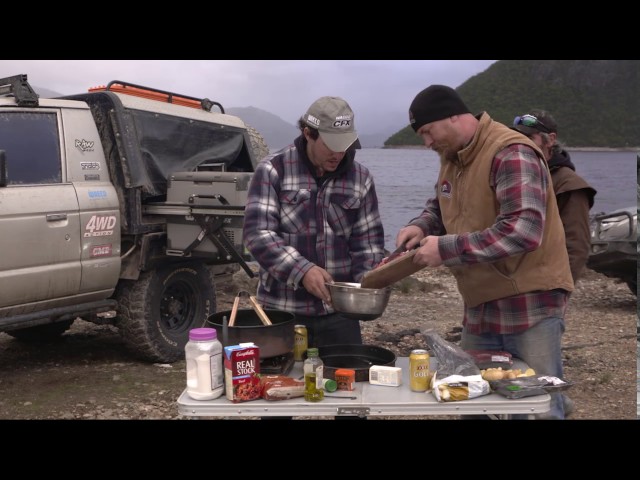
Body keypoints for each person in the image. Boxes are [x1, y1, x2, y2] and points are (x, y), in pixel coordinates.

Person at [396, 85, 574, 419]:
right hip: (480, 307)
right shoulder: (453, 159)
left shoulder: (510, 152)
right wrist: (421, 226)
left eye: (427, 132)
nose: (427, 143)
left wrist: (445, 249)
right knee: (470, 400)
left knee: (536, 406)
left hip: (530, 306)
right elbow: (442, 205)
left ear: (452, 116)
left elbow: (523, 231)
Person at [242, 96, 385, 348]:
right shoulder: (273, 170)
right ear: (308, 133)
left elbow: (368, 243)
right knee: (280, 384)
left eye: (346, 145)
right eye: (331, 145)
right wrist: (302, 270)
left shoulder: (361, 178)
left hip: (341, 315)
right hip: (281, 312)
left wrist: (367, 289)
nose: (339, 154)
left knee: (348, 383)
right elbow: (257, 235)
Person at [512, 110, 597, 283]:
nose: (519, 144)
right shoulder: (514, 175)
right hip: (510, 282)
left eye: (529, 138)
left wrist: (559, 292)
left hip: (543, 287)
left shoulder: (569, 185)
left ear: (550, 139)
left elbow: (576, 247)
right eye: (516, 137)